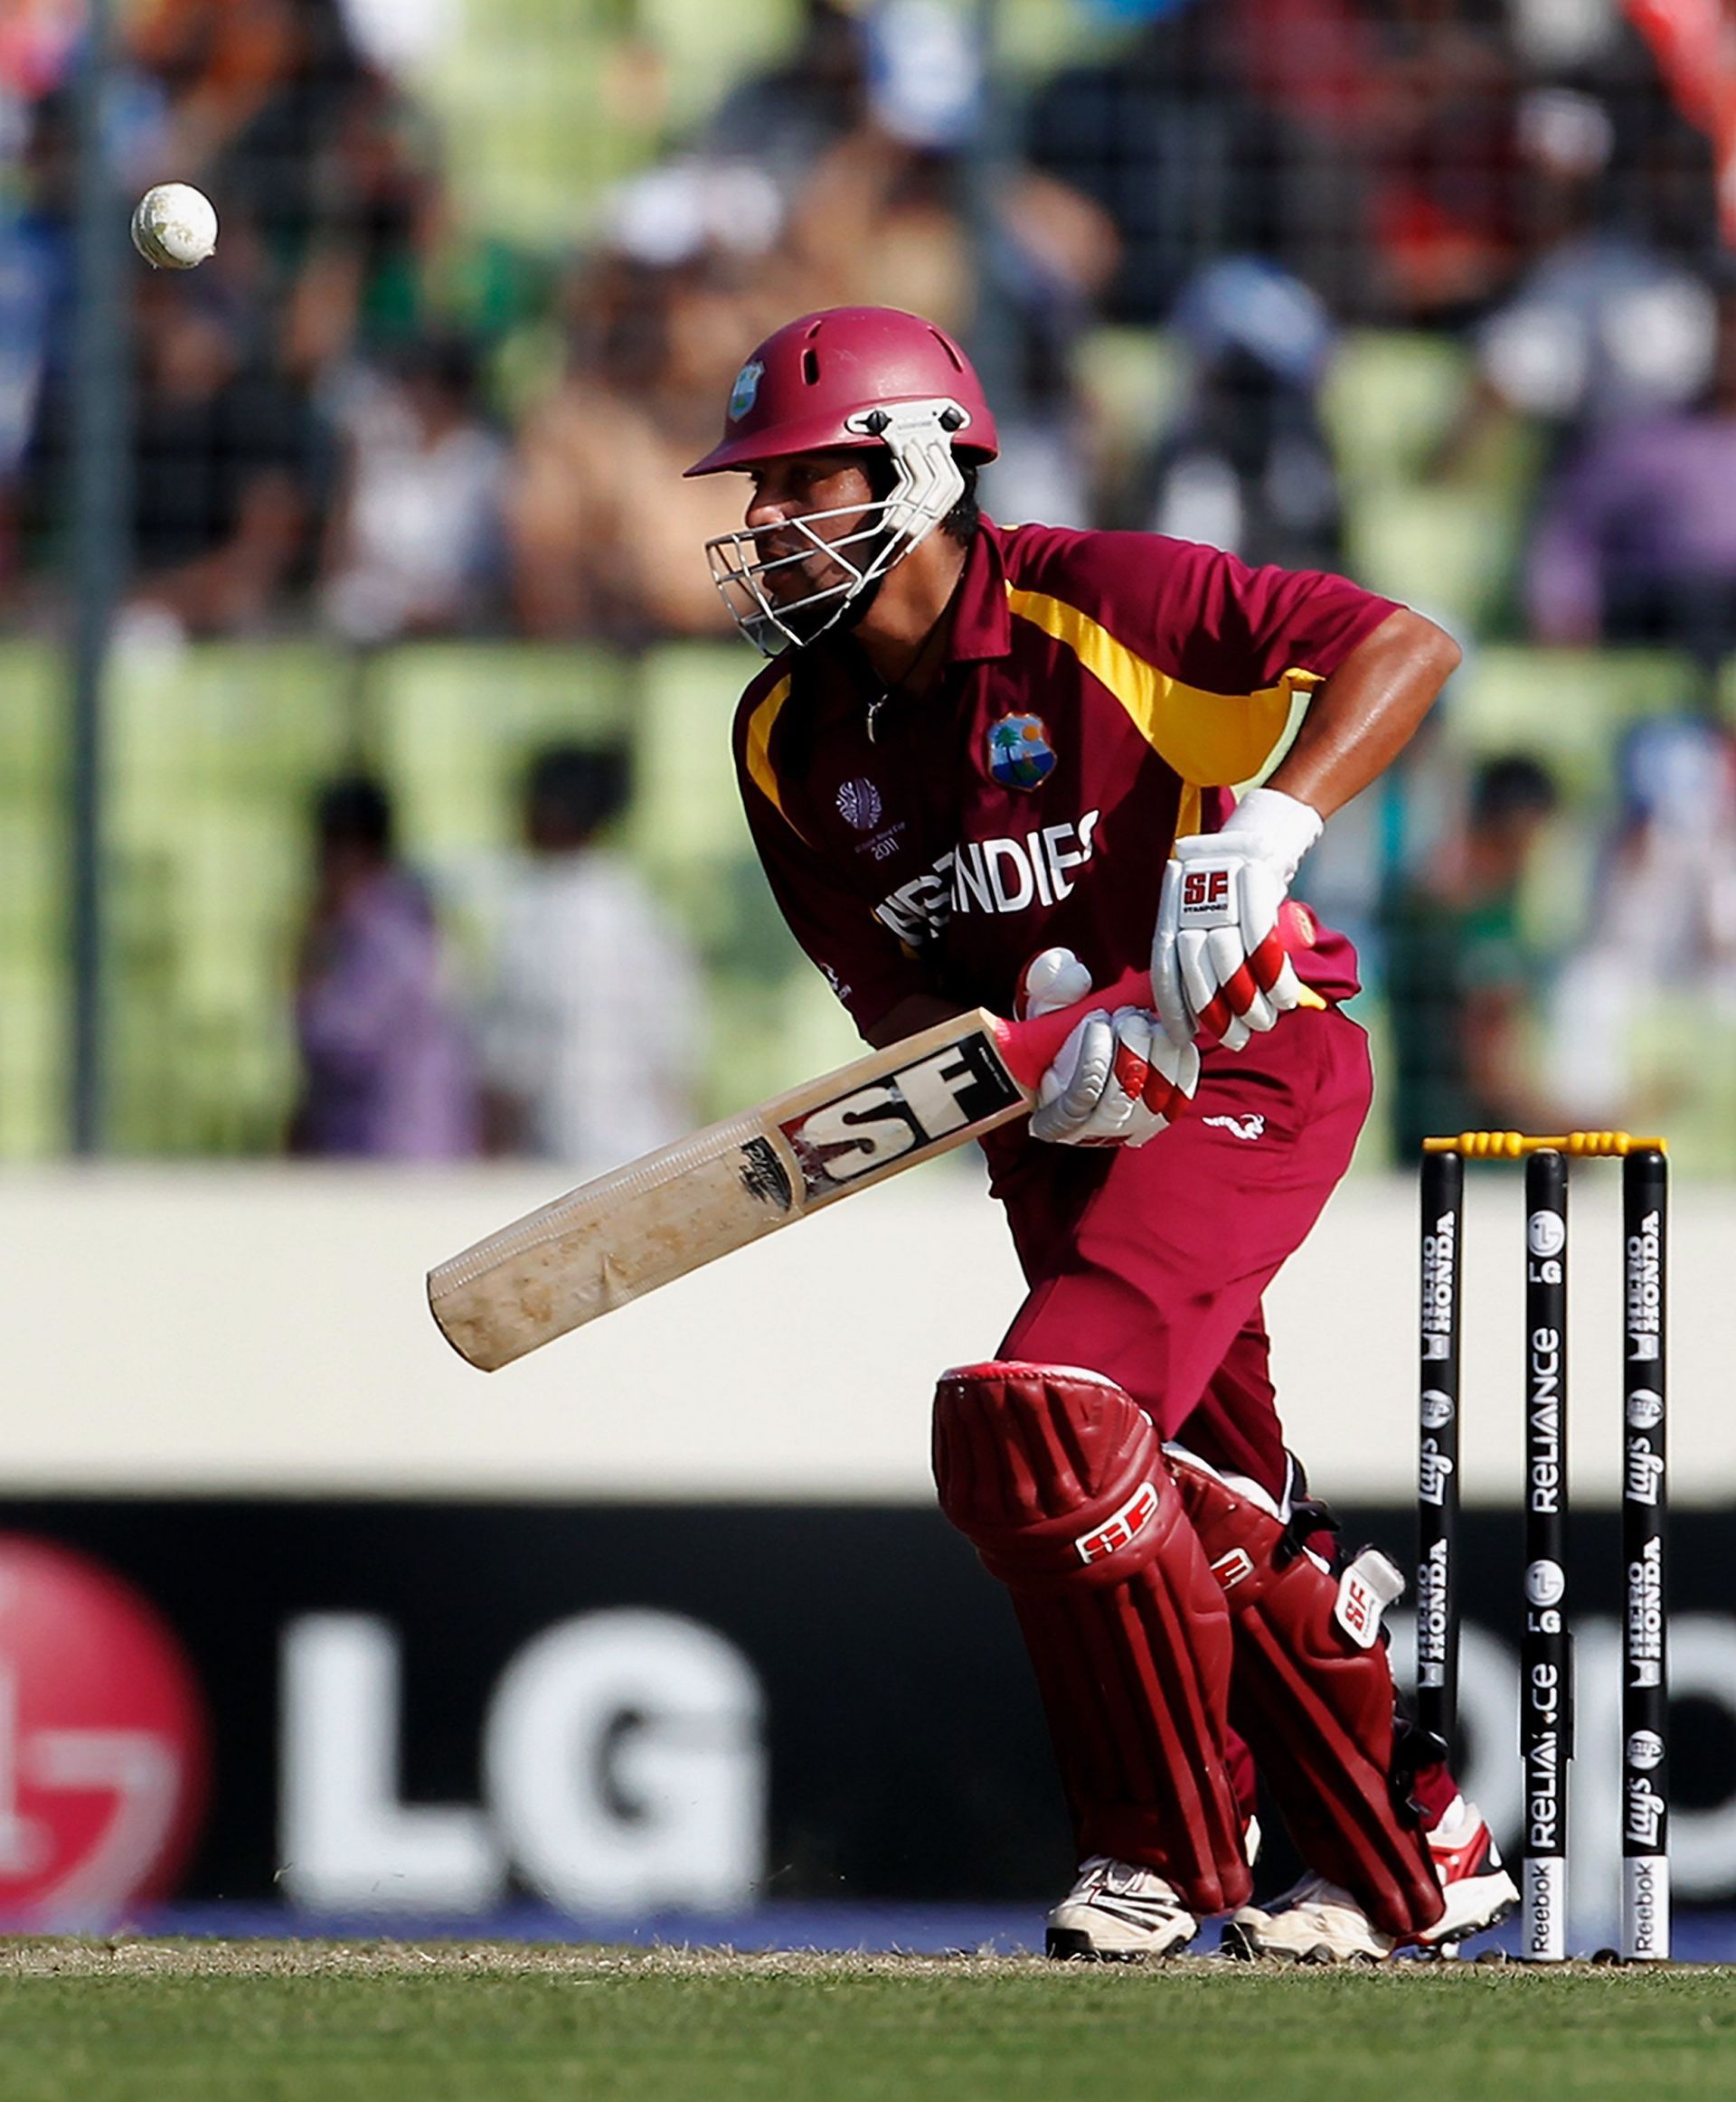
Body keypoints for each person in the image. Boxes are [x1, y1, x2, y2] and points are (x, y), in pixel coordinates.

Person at [684, 305, 1514, 1962]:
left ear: (919, 466)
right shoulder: (785, 744)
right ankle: (1414, 1852)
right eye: (757, 494)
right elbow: (904, 1017)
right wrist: (1039, 1075)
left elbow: (1405, 640)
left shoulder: (1100, 597)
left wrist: (1268, 829)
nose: (767, 526)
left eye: (800, 483)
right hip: (1063, 1132)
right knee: (1198, 1486)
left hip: (1255, 1059)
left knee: (1037, 1423)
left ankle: (1161, 1855)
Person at [477, 744, 701, 1167]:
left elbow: (512, 1061)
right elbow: (676, 1054)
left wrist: (492, 1152)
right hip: (644, 1150)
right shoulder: (640, 907)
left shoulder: (538, 911)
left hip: (561, 1151)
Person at [291, 777, 477, 1159]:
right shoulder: (410, 918)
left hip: (391, 1151)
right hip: (417, 1147)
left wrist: (306, 966)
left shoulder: (380, 930)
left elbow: (341, 1042)